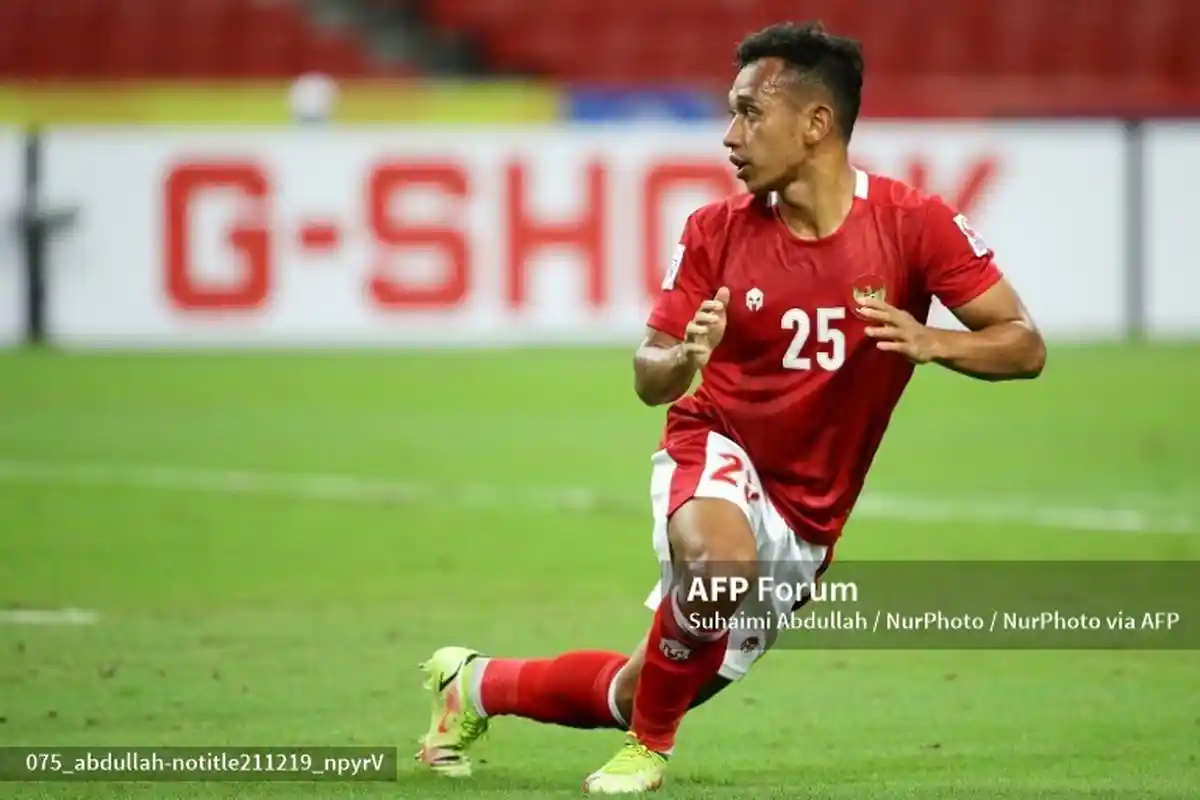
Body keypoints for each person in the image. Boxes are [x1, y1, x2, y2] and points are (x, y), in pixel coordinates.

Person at [414, 20, 1046, 794]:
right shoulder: (714, 231)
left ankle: (474, 685)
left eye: (749, 112)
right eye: (731, 112)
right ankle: (651, 749)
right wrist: (682, 359)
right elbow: (649, 376)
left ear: (816, 124)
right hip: (717, 447)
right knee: (719, 567)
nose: (729, 135)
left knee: (637, 688)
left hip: (810, 515)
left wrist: (934, 342)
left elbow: (1022, 344)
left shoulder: (916, 225)